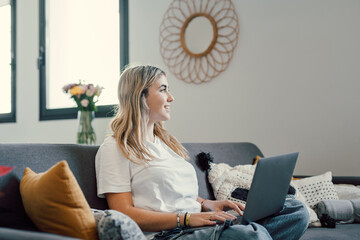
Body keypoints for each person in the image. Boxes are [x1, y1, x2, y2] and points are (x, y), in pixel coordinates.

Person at [95, 65, 309, 240]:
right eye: (163, 89)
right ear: (140, 96)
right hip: (170, 233)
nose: (171, 97)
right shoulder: (115, 148)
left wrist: (205, 203)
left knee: (296, 212)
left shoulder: (165, 144)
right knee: (251, 237)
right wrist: (185, 219)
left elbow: (174, 192)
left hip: (198, 223)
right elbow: (123, 212)